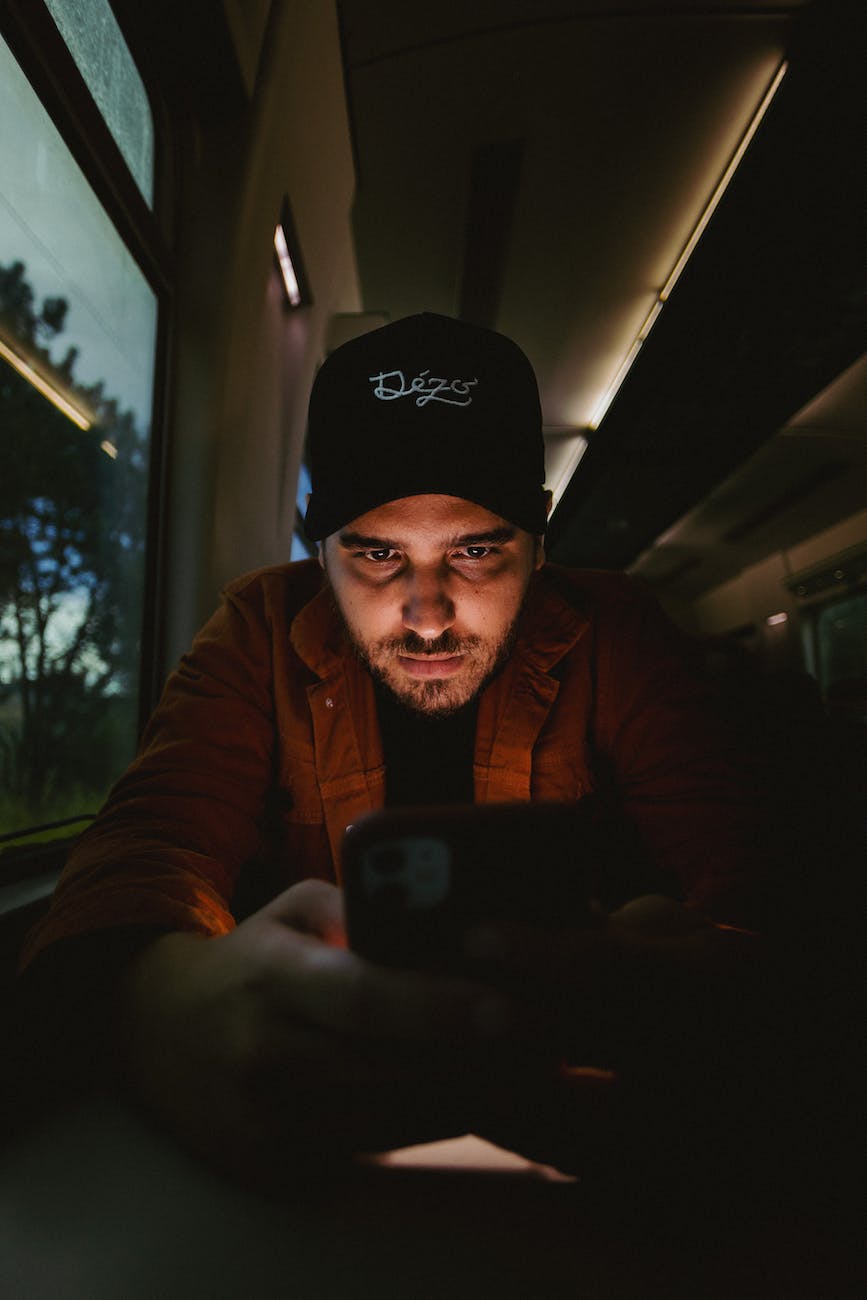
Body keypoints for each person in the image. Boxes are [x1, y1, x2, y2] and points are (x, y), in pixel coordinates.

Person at [18, 313, 771, 1192]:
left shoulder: (620, 634)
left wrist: (720, 982)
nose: (426, 611)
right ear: (316, 543)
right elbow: (154, 837)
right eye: (376, 552)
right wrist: (158, 1000)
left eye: (476, 550)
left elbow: (750, 872)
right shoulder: (257, 628)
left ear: (540, 535)